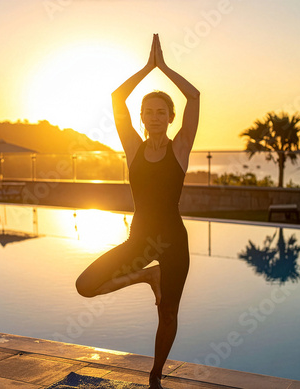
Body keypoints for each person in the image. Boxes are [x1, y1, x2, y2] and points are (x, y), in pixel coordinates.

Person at [75, 33, 200, 389]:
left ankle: (156, 376)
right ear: (142, 117)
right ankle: (147, 276)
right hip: (140, 241)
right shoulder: (133, 148)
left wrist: (165, 68)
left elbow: (194, 96)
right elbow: (117, 98)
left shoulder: (181, 149)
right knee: (86, 286)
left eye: (162, 112)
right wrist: (147, 68)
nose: (155, 117)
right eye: (149, 112)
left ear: (171, 117)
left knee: (169, 313)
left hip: (173, 242)